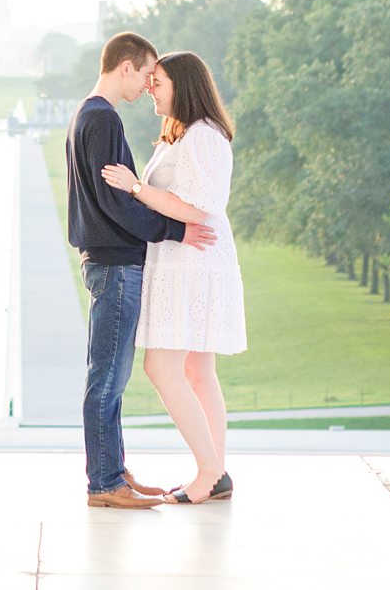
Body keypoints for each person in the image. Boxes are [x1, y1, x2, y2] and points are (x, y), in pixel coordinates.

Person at [65, 31, 216, 508]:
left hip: (108, 262)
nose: (147, 86)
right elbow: (116, 201)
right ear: (125, 67)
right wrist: (176, 231)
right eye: (146, 74)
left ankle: (113, 472)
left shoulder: (88, 115)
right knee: (107, 378)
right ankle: (105, 483)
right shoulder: (102, 118)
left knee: (110, 376)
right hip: (115, 264)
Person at [102, 48, 248, 503]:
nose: (150, 88)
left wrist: (136, 187)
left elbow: (198, 208)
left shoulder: (204, 136)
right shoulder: (182, 135)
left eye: (158, 82)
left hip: (193, 263)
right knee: (197, 370)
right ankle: (215, 474)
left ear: (182, 87)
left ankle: (208, 471)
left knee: (161, 366)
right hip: (185, 260)